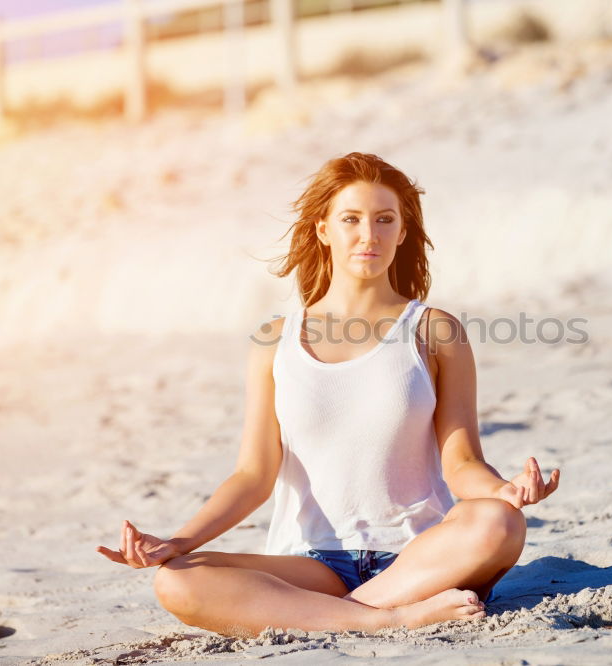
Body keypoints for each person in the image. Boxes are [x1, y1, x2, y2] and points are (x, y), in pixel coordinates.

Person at [96, 152, 560, 636]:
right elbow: (254, 474)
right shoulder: (275, 340)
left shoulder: (434, 331)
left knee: (500, 523)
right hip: (311, 564)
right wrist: (178, 541)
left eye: (385, 220)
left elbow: (460, 460)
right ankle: (391, 618)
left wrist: (501, 490)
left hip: (421, 558)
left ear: (403, 232)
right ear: (323, 230)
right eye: (351, 219)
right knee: (177, 581)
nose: (369, 235)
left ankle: (338, 617)